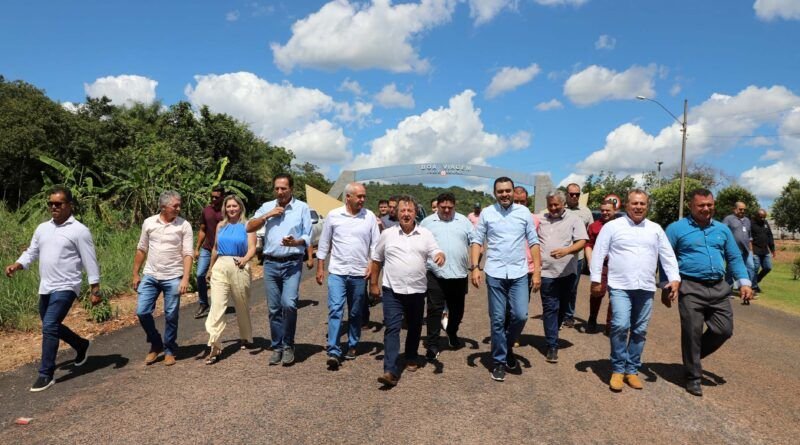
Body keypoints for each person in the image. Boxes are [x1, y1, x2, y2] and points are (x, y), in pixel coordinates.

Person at [5, 186, 101, 392]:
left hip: (67, 286)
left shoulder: (79, 230)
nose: (54, 207)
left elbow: (90, 260)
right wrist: (18, 264)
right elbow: (32, 252)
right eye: (51, 204)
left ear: (69, 205)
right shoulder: (42, 228)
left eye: (59, 204)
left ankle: (45, 374)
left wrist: (95, 288)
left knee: (49, 325)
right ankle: (81, 345)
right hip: (46, 286)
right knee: (52, 325)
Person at [662, 189, 754, 397]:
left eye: (709, 205)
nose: (706, 209)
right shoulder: (676, 229)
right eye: (701, 205)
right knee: (692, 331)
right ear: (691, 206)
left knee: (724, 330)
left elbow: (734, 258)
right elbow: (665, 258)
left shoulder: (722, 229)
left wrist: (744, 282)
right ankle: (693, 376)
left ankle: (690, 358)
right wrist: (666, 285)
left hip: (719, 288)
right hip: (690, 287)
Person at [590, 190, 680, 392]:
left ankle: (631, 370)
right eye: (635, 203)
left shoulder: (655, 229)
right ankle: (617, 369)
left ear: (647, 206)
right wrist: (596, 280)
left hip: (646, 287)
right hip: (620, 285)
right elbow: (599, 253)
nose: (639, 207)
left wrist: (674, 279)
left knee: (639, 330)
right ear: (627, 206)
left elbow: (667, 255)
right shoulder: (613, 227)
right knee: (620, 325)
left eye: (642, 204)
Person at [470, 177, 540, 382]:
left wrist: (536, 271)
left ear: (513, 191)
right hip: (495, 273)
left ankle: (506, 346)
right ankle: (499, 361)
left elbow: (534, 242)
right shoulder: (487, 213)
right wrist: (475, 267)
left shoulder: (523, 213)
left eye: (507, 190)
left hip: (519, 273)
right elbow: (476, 240)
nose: (504, 194)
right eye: (500, 191)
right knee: (498, 319)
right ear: (495, 193)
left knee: (520, 315)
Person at [370, 196, 444, 387]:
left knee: (414, 326)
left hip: (417, 290)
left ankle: (411, 355)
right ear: (397, 212)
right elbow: (376, 260)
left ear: (415, 213)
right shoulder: (387, 234)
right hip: (392, 290)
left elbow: (436, 250)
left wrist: (440, 256)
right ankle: (390, 370)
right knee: (392, 328)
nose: (406, 214)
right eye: (402, 210)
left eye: (409, 211)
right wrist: (374, 284)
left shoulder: (425, 234)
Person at [247, 173, 312, 366]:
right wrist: (267, 216)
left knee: (289, 304)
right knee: (274, 308)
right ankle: (277, 346)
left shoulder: (302, 208)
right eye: (277, 188)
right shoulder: (267, 207)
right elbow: (249, 227)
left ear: (291, 189)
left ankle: (289, 345)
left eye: (284, 188)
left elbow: (308, 236)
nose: (280, 192)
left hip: (292, 262)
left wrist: (296, 242)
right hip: (271, 263)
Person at [316, 183, 379, 370]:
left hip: (359, 273)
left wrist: (371, 265)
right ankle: (334, 350)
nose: (362, 200)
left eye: (364, 196)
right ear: (348, 197)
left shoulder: (369, 217)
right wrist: (320, 268)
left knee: (355, 311)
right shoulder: (334, 215)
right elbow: (324, 242)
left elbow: (375, 245)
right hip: (337, 271)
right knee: (335, 309)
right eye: (358, 196)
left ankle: (352, 344)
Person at [132, 190, 194, 367]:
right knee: (142, 312)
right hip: (150, 275)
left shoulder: (184, 226)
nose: (178, 208)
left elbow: (188, 253)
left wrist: (185, 279)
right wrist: (135, 273)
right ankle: (156, 343)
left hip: (173, 276)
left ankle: (169, 349)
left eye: (179, 205)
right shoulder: (149, 223)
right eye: (175, 206)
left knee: (171, 315)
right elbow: (141, 248)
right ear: (163, 206)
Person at [204, 195, 256, 365]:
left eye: (234, 206)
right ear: (224, 209)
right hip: (221, 265)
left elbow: (252, 248)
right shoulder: (221, 225)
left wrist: (245, 260)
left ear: (240, 207)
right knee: (217, 306)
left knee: (241, 305)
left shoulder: (248, 225)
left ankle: (246, 336)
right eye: (228, 206)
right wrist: (210, 268)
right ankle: (215, 344)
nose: (231, 209)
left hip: (239, 264)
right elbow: (215, 248)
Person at [420, 192, 473, 360]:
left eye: (450, 207)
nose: (447, 210)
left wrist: (476, 261)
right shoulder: (427, 222)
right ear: (438, 206)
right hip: (435, 274)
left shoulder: (464, 221)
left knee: (457, 311)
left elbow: (475, 241)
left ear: (454, 206)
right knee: (434, 310)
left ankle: (451, 331)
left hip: (459, 274)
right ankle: (433, 344)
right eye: (443, 207)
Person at [538, 191, 588, 364]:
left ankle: (554, 334)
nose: (553, 208)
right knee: (550, 308)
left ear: (563, 203)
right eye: (550, 205)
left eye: (556, 205)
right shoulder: (541, 218)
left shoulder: (574, 219)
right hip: (546, 273)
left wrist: (566, 251)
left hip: (568, 272)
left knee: (562, 307)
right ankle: (552, 344)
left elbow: (582, 241)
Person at [563, 183, 593, 328]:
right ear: (566, 194)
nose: (574, 197)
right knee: (557, 286)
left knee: (572, 287)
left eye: (577, 194)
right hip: (560, 256)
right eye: (571, 194)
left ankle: (568, 315)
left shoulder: (586, 212)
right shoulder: (559, 208)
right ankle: (558, 314)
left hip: (578, 257)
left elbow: (591, 234)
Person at [584, 200, 616, 334]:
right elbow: (588, 245)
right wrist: (591, 262)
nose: (605, 212)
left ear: (615, 210)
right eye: (602, 210)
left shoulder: (621, 225)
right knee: (597, 293)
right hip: (601, 265)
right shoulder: (594, 226)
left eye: (608, 210)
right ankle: (592, 319)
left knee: (615, 296)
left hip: (616, 266)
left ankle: (610, 325)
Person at [194, 186, 224, 319]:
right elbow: (202, 230)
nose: (213, 199)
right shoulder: (206, 210)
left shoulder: (227, 211)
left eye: (216, 197)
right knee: (200, 274)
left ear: (222, 196)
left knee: (218, 278)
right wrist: (197, 248)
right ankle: (203, 303)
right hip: (207, 248)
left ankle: (218, 304)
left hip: (222, 250)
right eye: (212, 196)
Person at [722, 202, 757, 296]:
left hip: (746, 250)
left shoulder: (747, 220)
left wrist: (751, 249)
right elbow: (723, 232)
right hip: (733, 250)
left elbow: (749, 236)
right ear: (735, 209)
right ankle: (728, 290)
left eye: (744, 209)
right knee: (730, 269)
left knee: (751, 268)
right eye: (740, 209)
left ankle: (748, 289)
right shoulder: (728, 219)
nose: (742, 211)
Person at [750, 209, 775, 294]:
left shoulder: (765, 223)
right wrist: (750, 250)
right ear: (756, 216)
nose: (762, 219)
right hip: (755, 250)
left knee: (768, 267)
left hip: (765, 250)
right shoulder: (751, 224)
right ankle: (754, 287)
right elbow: (748, 237)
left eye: (764, 217)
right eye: (761, 217)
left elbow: (770, 236)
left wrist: (772, 249)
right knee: (755, 269)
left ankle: (755, 281)